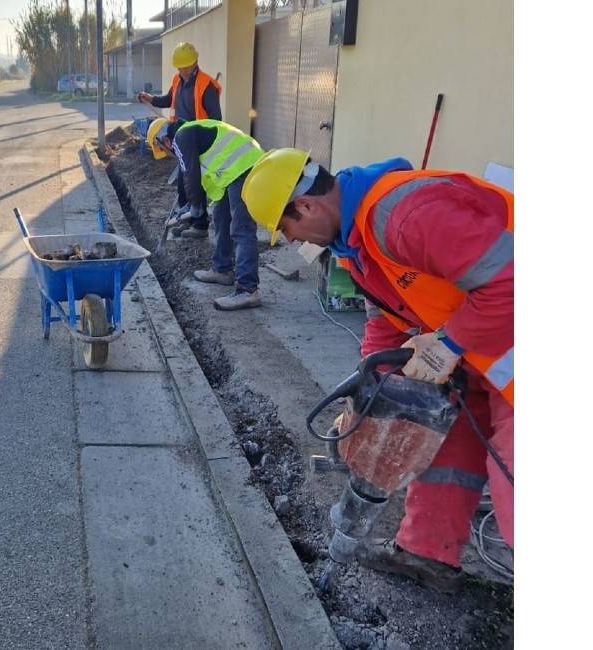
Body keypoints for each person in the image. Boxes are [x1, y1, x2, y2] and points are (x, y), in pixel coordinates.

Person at [241, 148, 514, 592]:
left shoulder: (406, 216)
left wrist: (449, 343)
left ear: (306, 206)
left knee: (513, 481)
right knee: (441, 437)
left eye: (286, 230)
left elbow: (513, 279)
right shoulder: (356, 248)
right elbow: (385, 325)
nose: (291, 242)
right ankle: (427, 553)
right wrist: (365, 399)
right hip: (481, 349)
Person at [147, 117, 265, 311]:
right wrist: (192, 205)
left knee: (241, 228)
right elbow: (192, 175)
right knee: (220, 217)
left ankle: (248, 289)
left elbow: (190, 174)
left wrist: (195, 207)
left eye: (163, 149)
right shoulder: (190, 133)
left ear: (165, 140)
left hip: (244, 167)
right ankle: (222, 269)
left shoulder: (181, 137)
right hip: (232, 172)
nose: (168, 153)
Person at [137, 42, 222, 240]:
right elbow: (168, 100)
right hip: (180, 139)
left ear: (194, 63)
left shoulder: (207, 85)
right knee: (183, 184)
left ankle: (200, 225)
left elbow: (216, 120)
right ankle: (188, 219)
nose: (182, 71)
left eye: (185, 67)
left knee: (194, 182)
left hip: (198, 140)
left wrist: (205, 142)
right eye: (179, 67)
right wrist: (150, 98)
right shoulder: (177, 80)